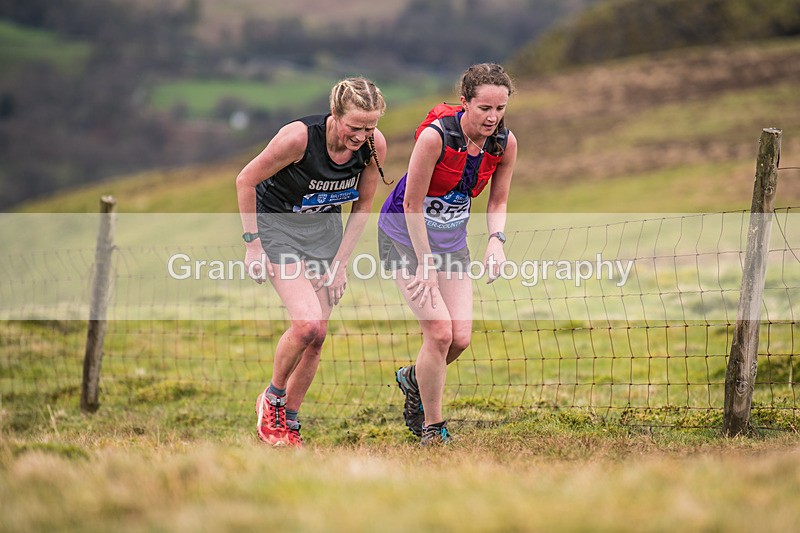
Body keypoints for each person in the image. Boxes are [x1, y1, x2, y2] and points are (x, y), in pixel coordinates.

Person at [236, 77, 388, 447]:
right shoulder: (298, 139)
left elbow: (363, 206)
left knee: (318, 337)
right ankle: (271, 400)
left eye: (371, 126)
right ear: (335, 115)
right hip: (278, 230)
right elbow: (245, 180)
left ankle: (289, 421)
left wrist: (341, 262)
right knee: (305, 325)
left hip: (323, 235)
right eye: (355, 126)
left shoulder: (372, 146)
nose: (361, 136)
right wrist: (253, 245)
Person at [378, 63, 517, 445]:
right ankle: (433, 429)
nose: (492, 117)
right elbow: (411, 203)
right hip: (405, 237)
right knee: (439, 333)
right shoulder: (436, 138)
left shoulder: (505, 144)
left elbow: (498, 199)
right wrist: (424, 262)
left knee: (460, 338)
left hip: (451, 242)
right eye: (484, 108)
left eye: (500, 108)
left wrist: (495, 240)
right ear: (464, 103)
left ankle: (412, 379)